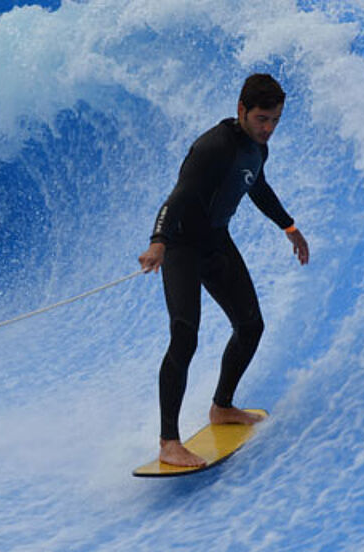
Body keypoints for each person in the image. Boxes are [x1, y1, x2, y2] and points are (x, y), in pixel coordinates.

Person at [138, 73, 309, 467]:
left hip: (215, 242)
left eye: (276, 120)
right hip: (181, 246)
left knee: (250, 326)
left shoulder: (257, 149)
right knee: (185, 337)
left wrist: (290, 227)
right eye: (262, 119)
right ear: (241, 110)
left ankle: (222, 407)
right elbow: (178, 196)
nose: (268, 128)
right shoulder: (212, 147)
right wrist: (158, 241)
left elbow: (257, 187)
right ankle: (168, 442)